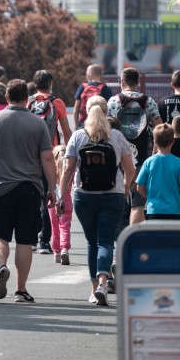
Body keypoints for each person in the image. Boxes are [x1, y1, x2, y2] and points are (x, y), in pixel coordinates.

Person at [0, 78, 58, 304]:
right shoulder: (38, 123)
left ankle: (1, 266)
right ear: (26, 99)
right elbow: (48, 157)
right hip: (30, 187)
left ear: (6, 98)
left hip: (0, 187)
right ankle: (21, 289)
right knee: (25, 239)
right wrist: (53, 188)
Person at [58, 101, 136, 307]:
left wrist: (60, 194)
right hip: (113, 195)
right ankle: (103, 282)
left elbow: (68, 169)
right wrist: (126, 187)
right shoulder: (117, 136)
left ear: (86, 114)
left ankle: (94, 289)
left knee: (92, 242)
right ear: (106, 113)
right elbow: (130, 169)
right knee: (106, 241)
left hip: (84, 195)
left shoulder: (79, 136)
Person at [108, 67, 161, 225]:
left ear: (122, 82)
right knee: (138, 202)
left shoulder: (114, 101)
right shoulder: (148, 101)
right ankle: (133, 236)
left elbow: (108, 129)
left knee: (119, 196)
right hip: (142, 156)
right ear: (138, 82)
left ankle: (119, 234)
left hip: (118, 156)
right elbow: (159, 128)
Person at [30, 69, 71, 255]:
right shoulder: (57, 103)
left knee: (31, 196)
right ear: (50, 84)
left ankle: (29, 237)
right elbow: (66, 130)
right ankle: (44, 241)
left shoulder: (28, 101)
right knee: (49, 194)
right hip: (51, 154)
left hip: (28, 155)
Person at [133, 124, 180, 220]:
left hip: (153, 210)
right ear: (173, 141)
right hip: (174, 210)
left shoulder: (148, 162)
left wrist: (150, 196)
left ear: (155, 141)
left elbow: (139, 187)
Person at [46, 147, 73, 264]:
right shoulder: (68, 170)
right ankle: (65, 248)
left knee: (54, 227)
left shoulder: (51, 170)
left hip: (53, 200)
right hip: (66, 200)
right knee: (65, 226)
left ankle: (56, 252)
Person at [72, 64, 114, 129]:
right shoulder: (106, 89)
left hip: (84, 124)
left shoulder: (82, 87)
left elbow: (76, 109)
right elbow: (109, 109)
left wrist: (76, 126)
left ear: (90, 74)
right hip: (100, 125)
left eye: (87, 73)